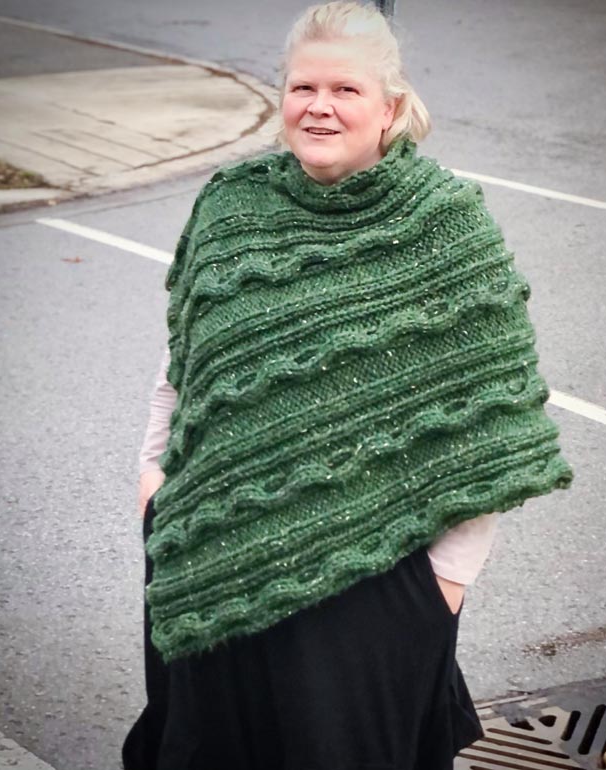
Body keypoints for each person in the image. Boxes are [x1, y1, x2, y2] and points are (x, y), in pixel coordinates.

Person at [122, 2, 573, 768]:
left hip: (371, 590)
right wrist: (153, 474)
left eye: (345, 89)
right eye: (303, 87)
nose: (319, 107)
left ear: (391, 106)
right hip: (214, 552)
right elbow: (186, 360)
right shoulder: (232, 206)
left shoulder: (444, 225)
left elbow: (488, 425)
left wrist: (445, 585)